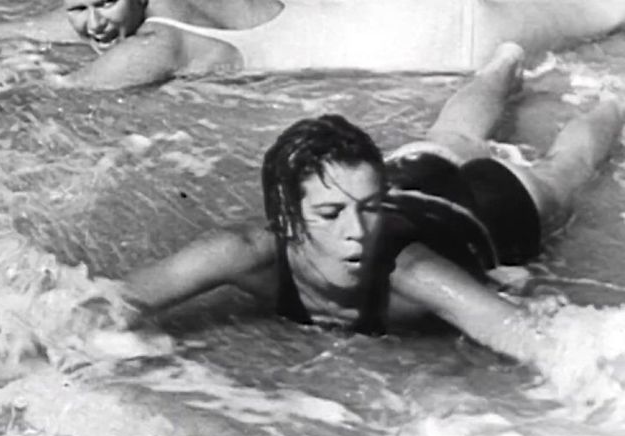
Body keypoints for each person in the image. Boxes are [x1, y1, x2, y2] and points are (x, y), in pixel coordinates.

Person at [76, 42, 624, 364]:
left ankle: (608, 99)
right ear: (285, 219)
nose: (358, 232)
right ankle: (505, 64)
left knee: (562, 173)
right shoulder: (242, 252)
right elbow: (107, 302)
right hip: (407, 178)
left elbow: (542, 345)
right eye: (330, 215)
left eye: (368, 208)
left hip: (486, 211)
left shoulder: (412, 272)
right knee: (452, 136)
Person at [0, 0, 625, 91]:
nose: (92, 22)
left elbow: (63, 97)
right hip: (436, 17)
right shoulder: (163, 20)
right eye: (77, 9)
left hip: (454, 37)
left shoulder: (158, 44)